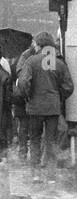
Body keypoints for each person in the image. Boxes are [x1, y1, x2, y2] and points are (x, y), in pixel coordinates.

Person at [13, 31, 73, 172]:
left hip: (35, 107)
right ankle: (51, 175)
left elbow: (22, 83)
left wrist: (28, 96)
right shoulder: (59, 62)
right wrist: (58, 97)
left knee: (34, 139)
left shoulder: (31, 61)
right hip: (53, 108)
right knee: (51, 140)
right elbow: (68, 87)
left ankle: (35, 173)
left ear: (38, 45)